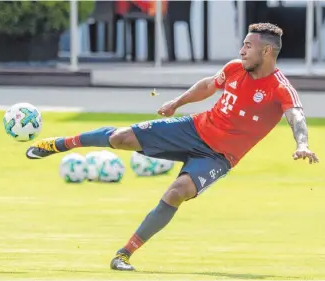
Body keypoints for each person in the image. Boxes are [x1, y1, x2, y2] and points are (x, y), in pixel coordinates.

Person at [25, 23, 319, 271]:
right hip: (193, 129)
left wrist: (302, 144)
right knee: (120, 138)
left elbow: (296, 116)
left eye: (247, 45)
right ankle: (59, 144)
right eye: (242, 44)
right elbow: (208, 85)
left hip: (219, 157)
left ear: (266, 51)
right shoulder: (234, 69)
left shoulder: (280, 87)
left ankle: (123, 254)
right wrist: (177, 103)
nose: (241, 50)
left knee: (176, 193)